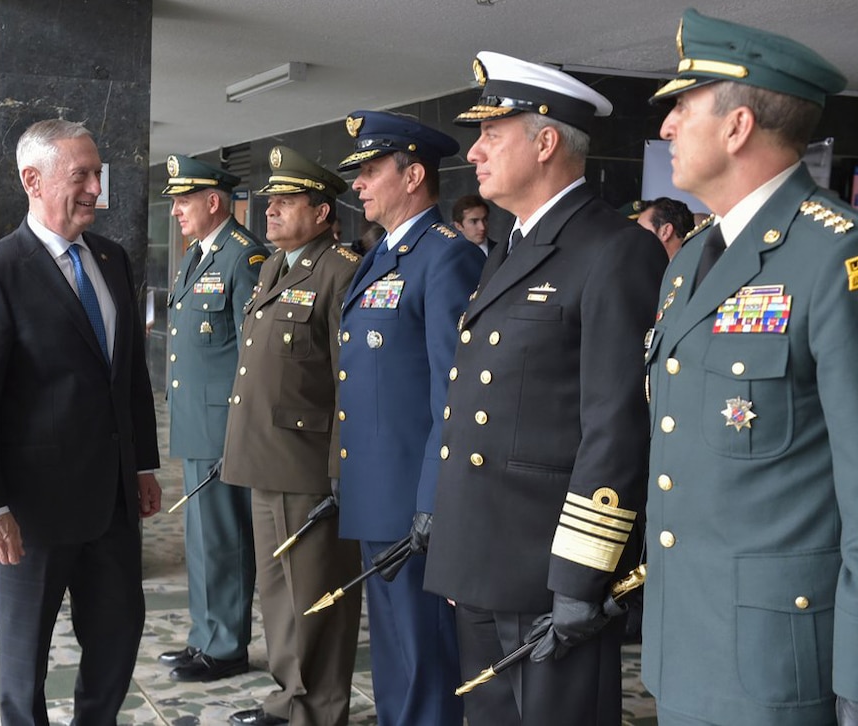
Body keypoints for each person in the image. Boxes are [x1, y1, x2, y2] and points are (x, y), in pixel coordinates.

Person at [423, 52, 667, 726]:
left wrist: (582, 579)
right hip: (488, 556)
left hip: (549, 569)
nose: (474, 153)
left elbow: (615, 425)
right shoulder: (512, 246)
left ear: (547, 140)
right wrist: (460, 547)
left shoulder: (614, 250)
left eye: (491, 135)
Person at [642, 10, 856, 726]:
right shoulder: (690, 266)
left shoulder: (833, 257)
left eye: (684, 106)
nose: (667, 126)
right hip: (684, 642)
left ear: (737, 128)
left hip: (776, 658)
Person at [0, 119, 162, 725]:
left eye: (99, 174)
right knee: (25, 663)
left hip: (114, 504)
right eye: (82, 176)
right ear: (32, 180)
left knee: (118, 639)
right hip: (32, 515)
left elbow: (129, 375)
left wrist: (143, 463)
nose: (97, 188)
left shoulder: (112, 259)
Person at [335, 110, 485, 726]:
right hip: (379, 489)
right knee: (395, 648)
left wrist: (434, 500)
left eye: (371, 171)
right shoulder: (383, 255)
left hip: (414, 496)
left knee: (424, 651)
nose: (358, 185)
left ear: (414, 174)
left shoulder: (445, 258)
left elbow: (454, 393)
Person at [221, 146, 363, 726]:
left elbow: (347, 382)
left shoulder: (339, 270)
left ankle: (318, 708)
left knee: (314, 597)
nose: (270, 212)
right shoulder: (275, 267)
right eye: (269, 202)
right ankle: (290, 698)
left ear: (324, 211)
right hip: (266, 459)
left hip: (308, 465)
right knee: (280, 594)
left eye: (286, 202)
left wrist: (339, 469)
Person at [160, 154, 265, 682]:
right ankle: (203, 636)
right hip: (199, 422)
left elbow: (256, 353)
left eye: (184, 201)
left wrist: (240, 430)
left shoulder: (243, 258)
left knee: (224, 538)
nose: (176, 210)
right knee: (202, 539)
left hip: (225, 426)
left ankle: (225, 646)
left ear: (214, 202)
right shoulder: (198, 255)